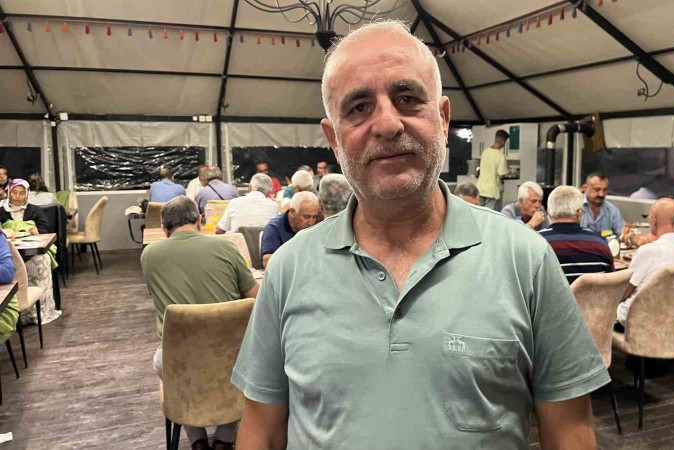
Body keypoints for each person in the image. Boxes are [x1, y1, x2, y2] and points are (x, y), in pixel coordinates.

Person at [232, 21, 607, 450]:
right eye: (359, 107)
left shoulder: (527, 260)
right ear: (333, 139)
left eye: (407, 99)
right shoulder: (288, 269)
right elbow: (261, 431)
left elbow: (570, 431)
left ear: (443, 119)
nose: (388, 124)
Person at [141, 196, 258, 450]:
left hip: (177, 361)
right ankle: (225, 438)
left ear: (164, 228)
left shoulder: (149, 255)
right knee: (249, 365)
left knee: (166, 367)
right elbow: (255, 297)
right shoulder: (227, 248)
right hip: (231, 360)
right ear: (199, 220)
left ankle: (197, 440)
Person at [616, 198, 674, 328]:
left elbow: (623, 293)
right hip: (673, 325)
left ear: (653, 220)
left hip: (637, 323)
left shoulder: (648, 251)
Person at [0, 179, 59, 325]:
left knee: (41, 260)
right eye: (14, 192)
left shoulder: (35, 210)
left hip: (33, 249)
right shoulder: (1, 211)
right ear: (9, 193)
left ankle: (39, 311)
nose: (17, 196)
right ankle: (16, 314)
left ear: (27, 194)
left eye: (21, 193)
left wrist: (37, 231)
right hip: (8, 250)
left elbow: (45, 230)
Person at [539, 186, 614, 284]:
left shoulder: (535, 242)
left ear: (549, 212)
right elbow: (610, 283)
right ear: (579, 213)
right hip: (593, 294)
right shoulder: (600, 243)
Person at [259, 191, 319, 268]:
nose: (310, 222)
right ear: (292, 212)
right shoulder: (274, 228)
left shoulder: (315, 226)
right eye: (306, 217)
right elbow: (267, 261)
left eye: (314, 217)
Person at [581, 172, 625, 237]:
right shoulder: (574, 207)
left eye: (605, 190)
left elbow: (622, 234)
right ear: (585, 188)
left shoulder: (612, 210)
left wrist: (628, 236)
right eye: (597, 189)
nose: (601, 194)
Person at [475, 129, 508, 210]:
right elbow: (501, 175)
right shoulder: (500, 156)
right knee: (490, 215)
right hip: (492, 191)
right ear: (503, 141)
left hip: (480, 188)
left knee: (479, 213)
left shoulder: (485, 152)